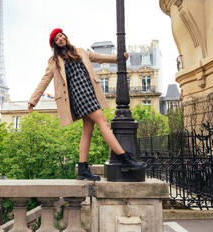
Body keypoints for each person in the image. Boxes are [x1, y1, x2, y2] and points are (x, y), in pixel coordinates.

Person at [28, 28, 146, 181]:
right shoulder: (54, 62)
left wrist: (119, 58)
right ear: (55, 44)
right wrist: (33, 101)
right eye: (57, 38)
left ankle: (82, 168)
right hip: (79, 96)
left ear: (65, 36)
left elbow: (99, 57)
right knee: (103, 121)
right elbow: (44, 80)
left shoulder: (80, 51)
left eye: (61, 35)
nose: (60, 38)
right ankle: (124, 158)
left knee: (87, 130)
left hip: (90, 91)